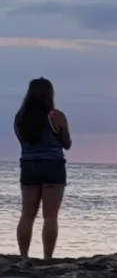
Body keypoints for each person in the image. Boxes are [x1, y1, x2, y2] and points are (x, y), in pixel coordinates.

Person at [15, 77, 71, 259]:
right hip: (53, 167)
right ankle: (47, 258)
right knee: (50, 216)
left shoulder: (20, 118)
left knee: (27, 215)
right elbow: (67, 143)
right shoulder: (55, 116)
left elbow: (22, 142)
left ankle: (24, 257)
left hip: (29, 167)